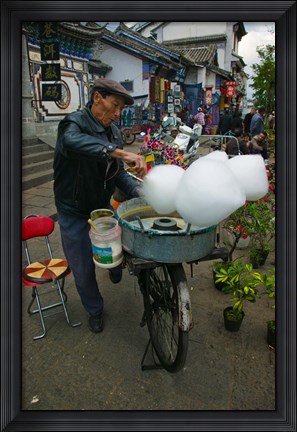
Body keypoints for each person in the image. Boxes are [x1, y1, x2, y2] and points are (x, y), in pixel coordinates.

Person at [53, 78, 147, 334]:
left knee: (112, 249)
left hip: (101, 206)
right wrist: (119, 152)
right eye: (114, 106)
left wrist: (139, 192)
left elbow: (116, 173)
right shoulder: (73, 123)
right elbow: (73, 143)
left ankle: (114, 266)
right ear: (97, 98)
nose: (117, 114)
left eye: (121, 110)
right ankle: (94, 309)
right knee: (82, 268)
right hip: (72, 210)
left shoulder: (113, 132)